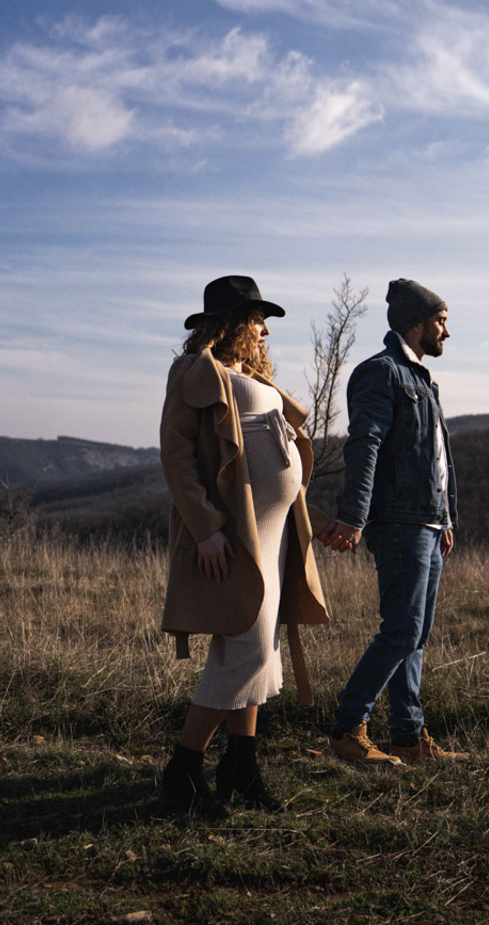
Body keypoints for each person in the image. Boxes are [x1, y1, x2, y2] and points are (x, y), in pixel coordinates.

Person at [159, 275, 329, 817]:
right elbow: (177, 457)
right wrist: (206, 528)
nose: (265, 331)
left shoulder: (249, 377)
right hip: (236, 535)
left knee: (263, 650)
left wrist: (317, 519)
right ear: (232, 323)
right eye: (258, 320)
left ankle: (240, 766)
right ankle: (182, 774)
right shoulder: (195, 372)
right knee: (246, 648)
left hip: (275, 533)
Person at [321, 278, 467, 767]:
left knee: (416, 635)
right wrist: (354, 514)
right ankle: (347, 728)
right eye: (441, 320)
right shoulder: (380, 373)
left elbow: (435, 458)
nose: (447, 330)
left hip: (426, 523)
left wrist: (444, 517)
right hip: (398, 523)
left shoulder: (422, 377)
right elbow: (365, 446)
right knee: (402, 630)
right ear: (416, 322)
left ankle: (408, 736)